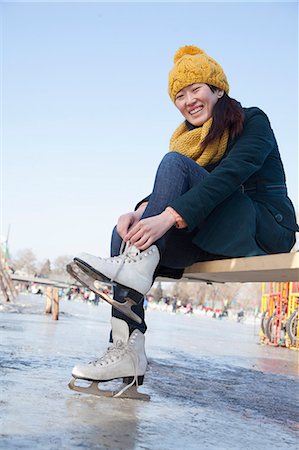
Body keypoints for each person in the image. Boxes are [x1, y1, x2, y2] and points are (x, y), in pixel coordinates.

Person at [68, 45, 298, 398]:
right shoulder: (197, 140)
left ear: (217, 89)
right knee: (124, 234)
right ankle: (125, 350)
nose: (188, 100)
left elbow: (227, 177)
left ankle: (136, 268)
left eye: (196, 89)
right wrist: (142, 210)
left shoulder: (253, 120)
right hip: (218, 231)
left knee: (173, 164)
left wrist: (168, 216)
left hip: (264, 228)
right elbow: (190, 186)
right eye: (179, 95)